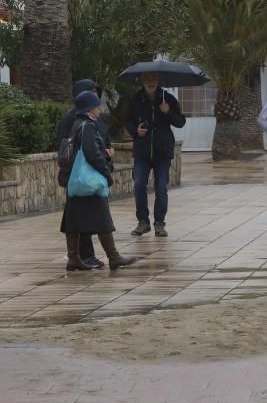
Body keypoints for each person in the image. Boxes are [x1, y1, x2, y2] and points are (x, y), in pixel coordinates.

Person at [60, 91, 136, 271]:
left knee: (73, 219)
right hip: (88, 182)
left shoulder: (77, 123)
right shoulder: (88, 125)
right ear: (89, 108)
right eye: (97, 106)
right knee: (102, 217)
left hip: (76, 181)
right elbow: (92, 154)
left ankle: (74, 258)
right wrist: (107, 173)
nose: (100, 109)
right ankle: (114, 257)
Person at [125, 72, 186, 237]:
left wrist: (168, 112)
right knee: (138, 185)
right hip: (142, 151)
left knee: (161, 188)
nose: (150, 81)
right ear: (142, 80)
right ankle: (143, 222)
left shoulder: (169, 99)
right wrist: (135, 131)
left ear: (158, 80)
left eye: (153, 78)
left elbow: (180, 122)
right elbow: (128, 121)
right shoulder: (136, 99)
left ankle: (159, 223)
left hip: (162, 151)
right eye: (147, 78)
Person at [58, 79, 109, 268]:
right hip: (79, 176)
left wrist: (106, 149)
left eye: (96, 93)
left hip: (85, 176)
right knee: (85, 216)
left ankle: (78, 257)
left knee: (78, 216)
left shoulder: (94, 118)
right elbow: (68, 148)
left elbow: (103, 137)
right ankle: (86, 256)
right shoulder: (76, 120)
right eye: (91, 92)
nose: (96, 97)